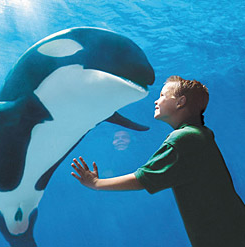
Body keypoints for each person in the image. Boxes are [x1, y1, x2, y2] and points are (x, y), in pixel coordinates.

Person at [71, 76, 245, 246]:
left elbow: (142, 179)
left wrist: (96, 183)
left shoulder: (183, 139)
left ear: (180, 102)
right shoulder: (201, 133)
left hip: (223, 237)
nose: (156, 101)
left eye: (162, 95)